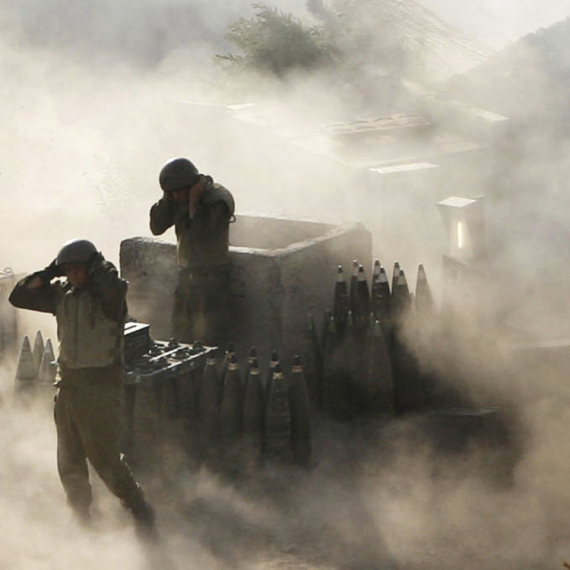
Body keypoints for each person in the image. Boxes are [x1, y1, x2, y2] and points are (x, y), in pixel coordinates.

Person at [9, 239, 157, 539]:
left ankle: (138, 507)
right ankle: (81, 516)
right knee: (69, 458)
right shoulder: (61, 295)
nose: (73, 276)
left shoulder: (108, 298)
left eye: (79, 270)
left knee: (104, 458)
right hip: (69, 386)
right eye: (69, 271)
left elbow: (115, 291)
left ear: (91, 269)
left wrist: (99, 267)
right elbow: (19, 296)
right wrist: (50, 272)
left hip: (100, 387)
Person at [149, 157, 235, 346]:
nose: (176, 197)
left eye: (178, 192)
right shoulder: (178, 197)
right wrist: (167, 199)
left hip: (212, 282)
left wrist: (193, 204)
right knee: (181, 338)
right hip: (187, 279)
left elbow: (201, 235)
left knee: (210, 339)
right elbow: (156, 226)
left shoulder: (217, 200)